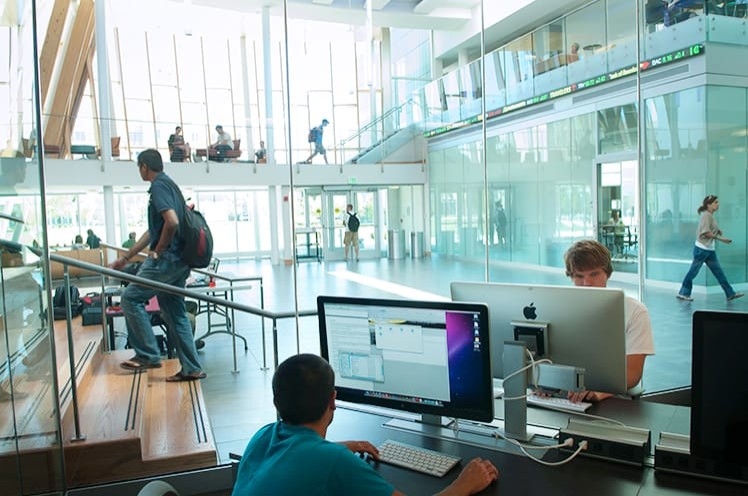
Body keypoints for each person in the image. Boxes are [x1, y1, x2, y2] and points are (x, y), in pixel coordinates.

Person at [231, 353, 499, 496]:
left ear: (277, 402)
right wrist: (464, 484)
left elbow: (292, 461)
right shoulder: (331, 461)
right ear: (332, 400)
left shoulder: (263, 436)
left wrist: (331, 450)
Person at [109, 148, 205, 382]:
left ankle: (148, 354)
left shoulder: (159, 187)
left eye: (138, 167)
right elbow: (154, 231)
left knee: (130, 298)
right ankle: (192, 367)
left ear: (144, 166)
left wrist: (157, 252)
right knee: (175, 312)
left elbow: (171, 223)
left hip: (167, 261)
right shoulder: (169, 185)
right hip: (180, 261)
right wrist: (127, 257)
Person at [563, 239, 655, 403]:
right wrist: (544, 385)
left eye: (594, 274)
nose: (587, 283)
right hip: (566, 394)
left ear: (607, 273)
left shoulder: (634, 312)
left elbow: (632, 374)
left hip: (611, 398)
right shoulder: (558, 308)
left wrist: (599, 390)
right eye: (579, 276)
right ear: (571, 277)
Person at [676, 195, 744, 302]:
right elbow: (706, 233)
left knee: (719, 273)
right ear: (709, 205)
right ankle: (683, 293)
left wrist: (718, 230)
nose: (718, 204)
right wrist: (721, 239)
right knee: (693, 272)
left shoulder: (710, 216)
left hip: (709, 250)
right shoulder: (706, 216)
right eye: (715, 202)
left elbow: (710, 229)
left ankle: (730, 294)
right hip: (701, 250)